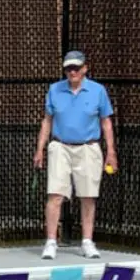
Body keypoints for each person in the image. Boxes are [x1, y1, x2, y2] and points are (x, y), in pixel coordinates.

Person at [34, 50, 117, 260]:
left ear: (85, 69)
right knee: (55, 194)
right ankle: (51, 241)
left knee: (88, 195)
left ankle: (87, 241)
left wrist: (111, 152)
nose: (72, 72)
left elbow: (106, 122)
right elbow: (47, 120)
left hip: (89, 147)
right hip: (60, 146)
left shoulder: (98, 91)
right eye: (69, 68)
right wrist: (40, 149)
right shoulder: (54, 90)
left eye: (76, 68)